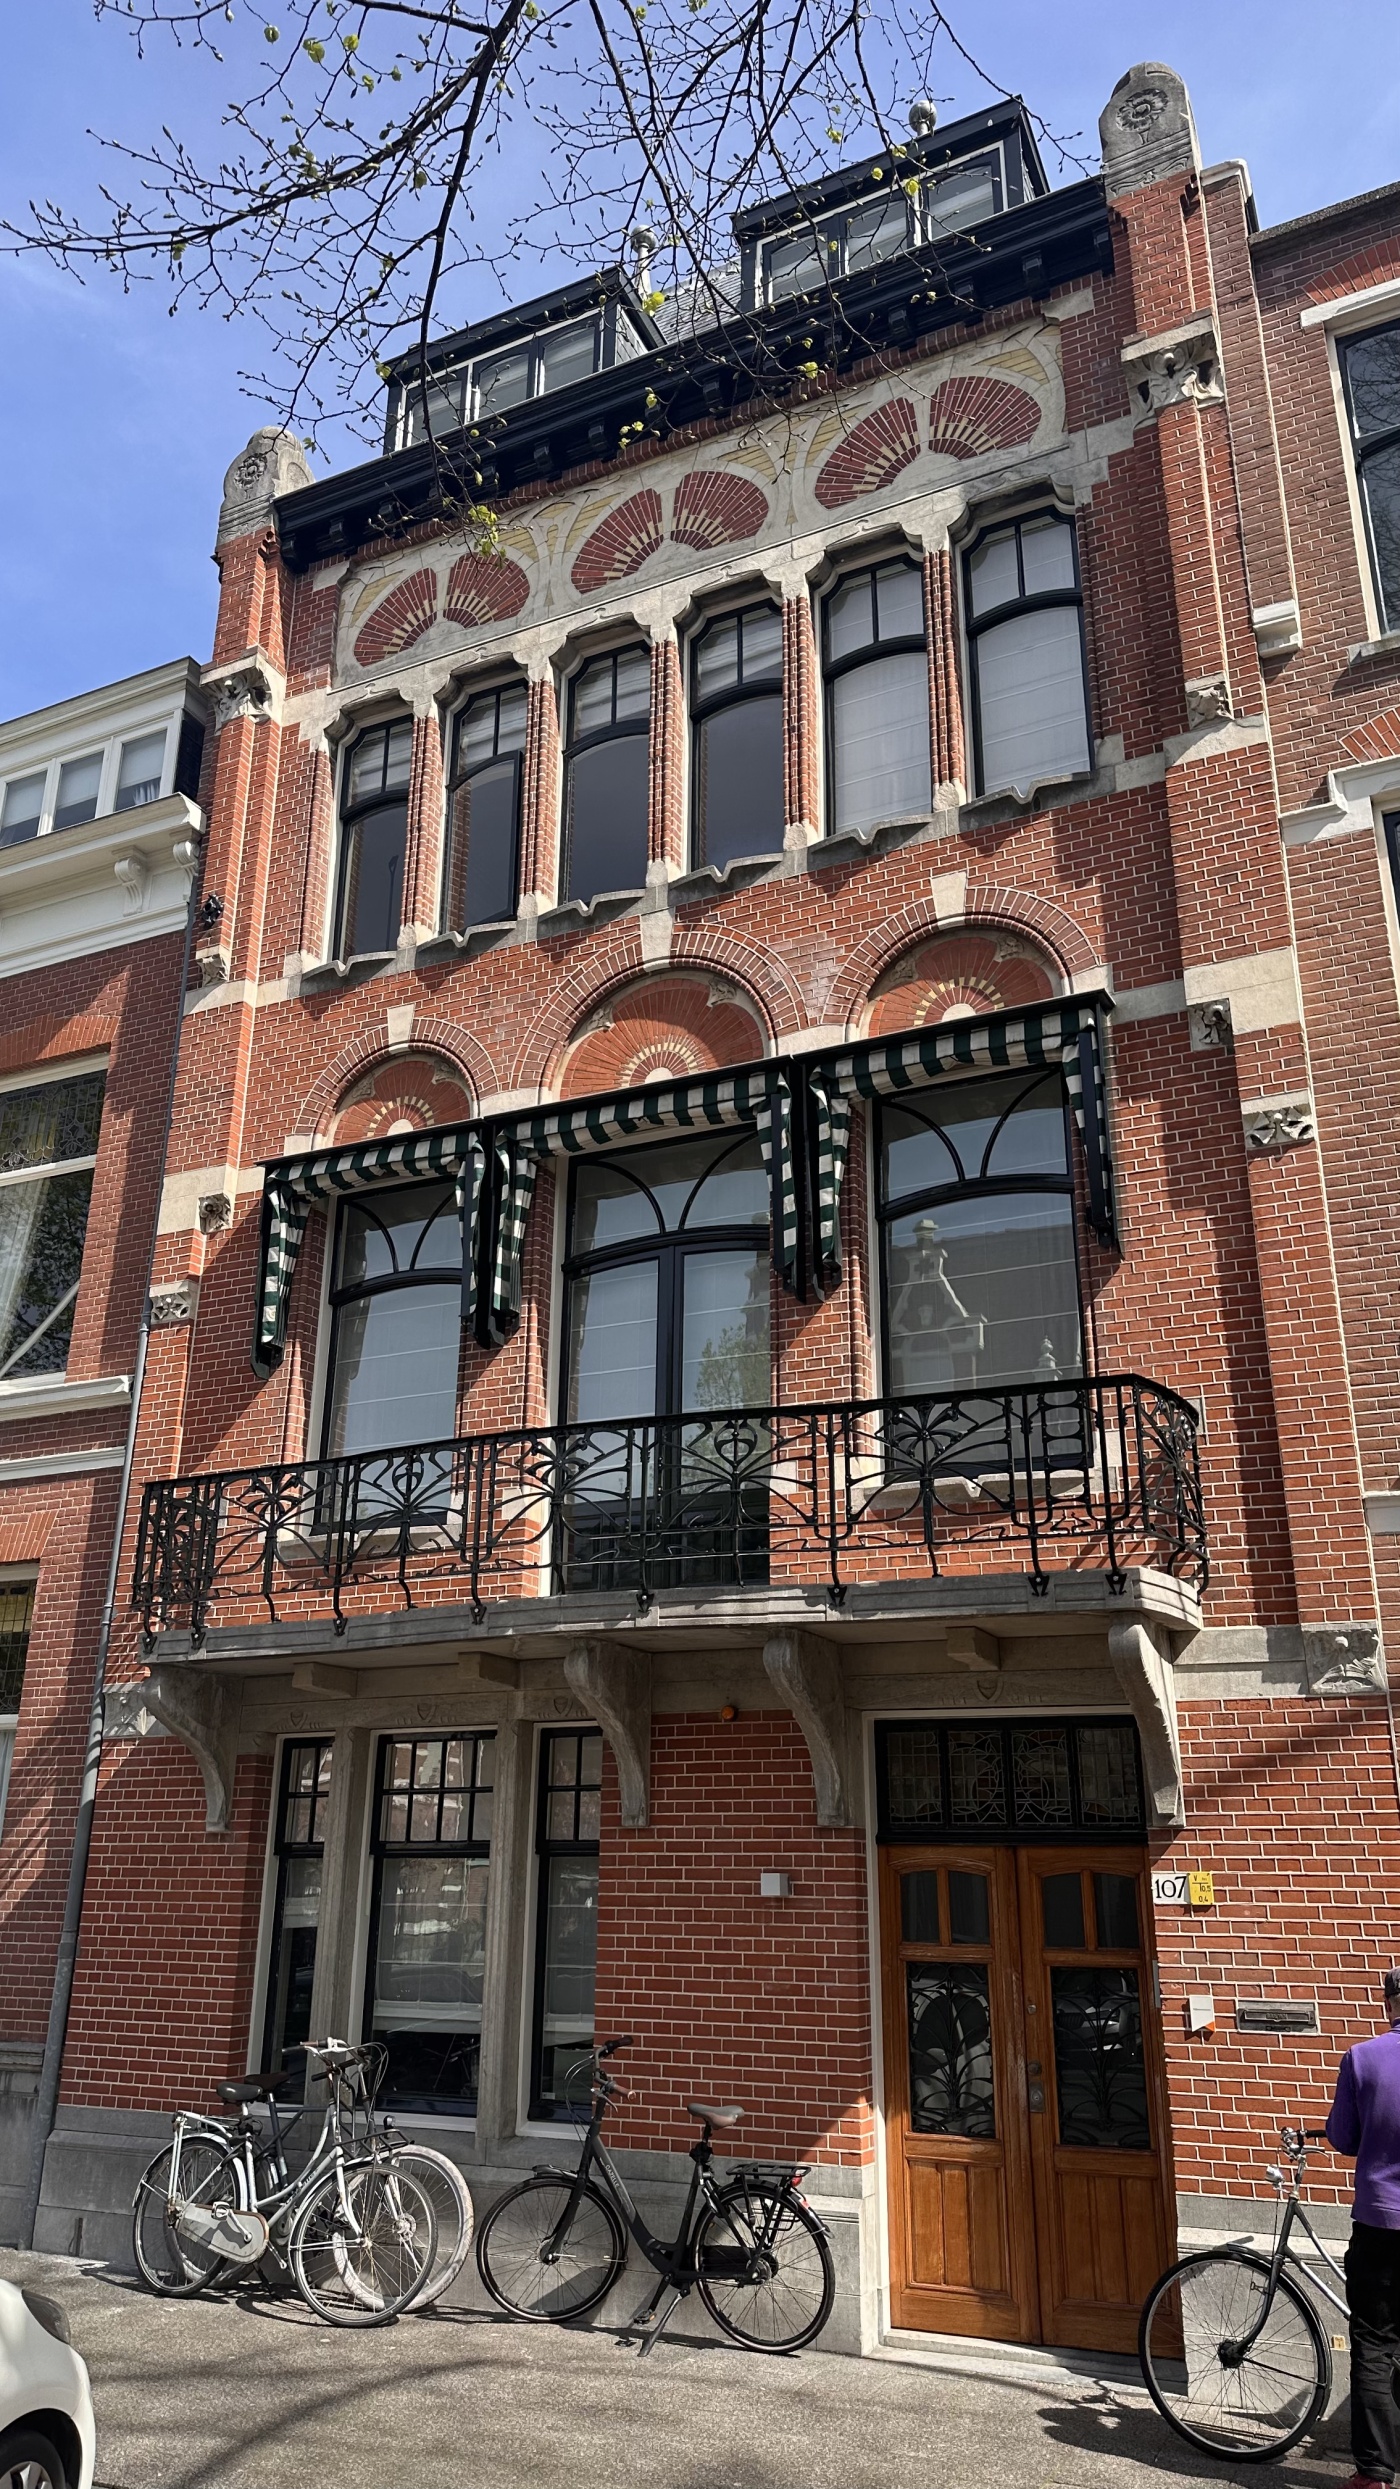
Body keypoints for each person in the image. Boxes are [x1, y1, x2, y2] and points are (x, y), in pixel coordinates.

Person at [1325, 1968, 1400, 2489]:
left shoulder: (1362, 2057)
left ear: (1389, 2004)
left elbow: (1344, 2137)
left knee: (1375, 2342)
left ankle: (1374, 2474)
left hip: (1380, 2221)